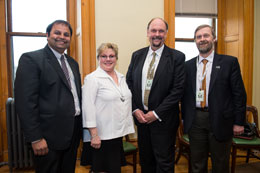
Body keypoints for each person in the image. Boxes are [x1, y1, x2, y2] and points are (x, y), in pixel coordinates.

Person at [14, 20, 82, 173]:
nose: (62, 37)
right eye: (57, 33)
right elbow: (25, 103)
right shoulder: (31, 60)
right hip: (47, 137)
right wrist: (35, 138)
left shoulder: (72, 63)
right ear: (47, 35)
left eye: (66, 34)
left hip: (72, 133)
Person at [181, 24, 247, 173]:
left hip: (221, 120)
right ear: (195, 41)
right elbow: (184, 95)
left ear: (214, 38)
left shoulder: (229, 63)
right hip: (196, 120)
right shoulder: (187, 66)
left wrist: (239, 122)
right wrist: (185, 118)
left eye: (206, 35)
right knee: (197, 163)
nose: (202, 39)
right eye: (199, 37)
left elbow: (239, 94)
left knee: (221, 163)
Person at [126, 18, 185, 173]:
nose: (157, 34)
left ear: (166, 34)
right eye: (153, 31)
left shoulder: (177, 57)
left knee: (164, 163)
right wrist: (135, 110)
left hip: (163, 121)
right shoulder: (137, 55)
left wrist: (156, 113)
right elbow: (129, 84)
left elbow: (178, 90)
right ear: (147, 33)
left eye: (161, 31)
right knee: (146, 162)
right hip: (142, 120)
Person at [82, 43, 135, 173]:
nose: (108, 59)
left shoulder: (121, 77)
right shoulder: (93, 78)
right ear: (98, 58)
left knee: (114, 169)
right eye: (103, 56)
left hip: (116, 135)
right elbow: (88, 107)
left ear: (116, 58)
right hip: (101, 136)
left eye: (111, 56)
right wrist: (94, 135)